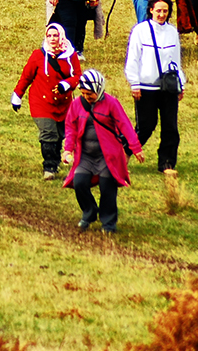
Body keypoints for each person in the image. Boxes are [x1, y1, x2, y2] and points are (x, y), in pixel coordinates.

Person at [60, 69, 143, 234]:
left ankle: (108, 223)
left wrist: (136, 148)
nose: (86, 97)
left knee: (107, 186)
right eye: (83, 93)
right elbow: (70, 127)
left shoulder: (112, 103)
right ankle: (89, 212)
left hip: (108, 156)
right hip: (85, 155)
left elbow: (124, 124)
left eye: (89, 93)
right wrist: (67, 150)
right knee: (79, 182)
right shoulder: (76, 104)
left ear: (99, 89)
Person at [123, 0, 185, 173]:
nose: (161, 14)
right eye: (158, 10)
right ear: (151, 10)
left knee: (170, 127)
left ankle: (167, 163)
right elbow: (133, 58)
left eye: (165, 11)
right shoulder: (140, 30)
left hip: (168, 87)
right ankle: (123, 153)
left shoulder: (172, 32)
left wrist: (180, 84)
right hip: (146, 87)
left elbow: (176, 60)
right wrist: (134, 83)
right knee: (146, 126)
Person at [13, 23, 82, 180]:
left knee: (59, 134)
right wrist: (17, 95)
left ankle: (55, 162)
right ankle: (49, 167)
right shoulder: (38, 55)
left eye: (55, 35)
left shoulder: (70, 55)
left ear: (61, 36)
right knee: (48, 133)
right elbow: (26, 77)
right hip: (41, 102)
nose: (52, 39)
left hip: (64, 104)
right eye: (49, 36)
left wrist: (67, 84)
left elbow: (78, 76)